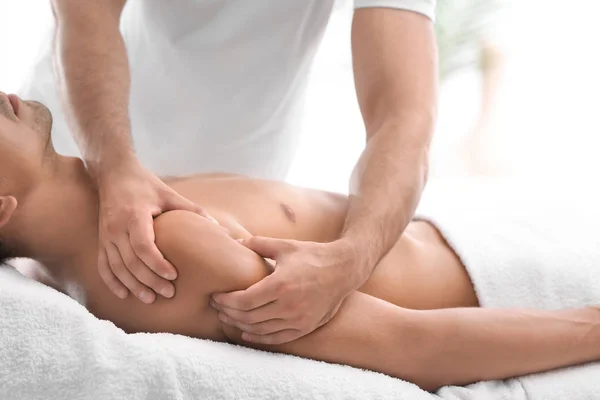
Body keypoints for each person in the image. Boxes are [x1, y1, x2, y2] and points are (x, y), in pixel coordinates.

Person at [2, 93, 600, 392]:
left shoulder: (116, 205)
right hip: (508, 285)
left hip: (477, 239)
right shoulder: (156, 256)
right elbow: (410, 344)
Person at [20, 0, 438, 344]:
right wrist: (114, 166)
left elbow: (402, 116)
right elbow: (83, 11)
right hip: (79, 150)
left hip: (224, 197)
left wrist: (351, 259)